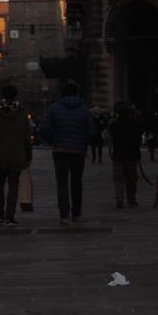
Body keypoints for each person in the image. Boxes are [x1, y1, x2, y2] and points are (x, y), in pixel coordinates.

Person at [41, 82, 96, 224]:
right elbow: (92, 131)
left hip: (60, 150)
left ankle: (64, 214)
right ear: (77, 94)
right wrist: (83, 142)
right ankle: (76, 212)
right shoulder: (85, 110)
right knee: (77, 182)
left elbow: (44, 128)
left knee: (62, 183)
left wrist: (55, 140)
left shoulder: (54, 109)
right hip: (78, 151)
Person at [0, 84, 32, 227]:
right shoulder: (22, 113)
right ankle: (10, 216)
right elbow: (26, 137)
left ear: (2, 95)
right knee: (13, 186)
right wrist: (28, 155)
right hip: (17, 154)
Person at [109, 103, 143, 208]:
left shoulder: (114, 125)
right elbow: (138, 140)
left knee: (118, 179)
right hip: (131, 155)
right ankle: (131, 199)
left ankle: (119, 198)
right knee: (131, 178)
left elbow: (112, 139)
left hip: (118, 155)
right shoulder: (136, 124)